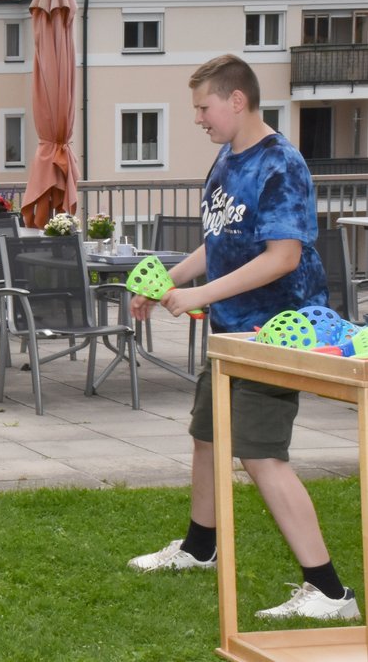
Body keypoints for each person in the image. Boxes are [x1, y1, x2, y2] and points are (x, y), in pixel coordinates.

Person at [127, 54, 360, 620]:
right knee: (207, 437)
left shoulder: (282, 164)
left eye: (204, 107)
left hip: (277, 334)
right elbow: (222, 242)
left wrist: (199, 297)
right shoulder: (226, 161)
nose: (199, 119)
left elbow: (283, 257)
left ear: (236, 100)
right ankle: (199, 549)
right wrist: (168, 279)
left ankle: (330, 592)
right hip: (234, 333)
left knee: (259, 455)